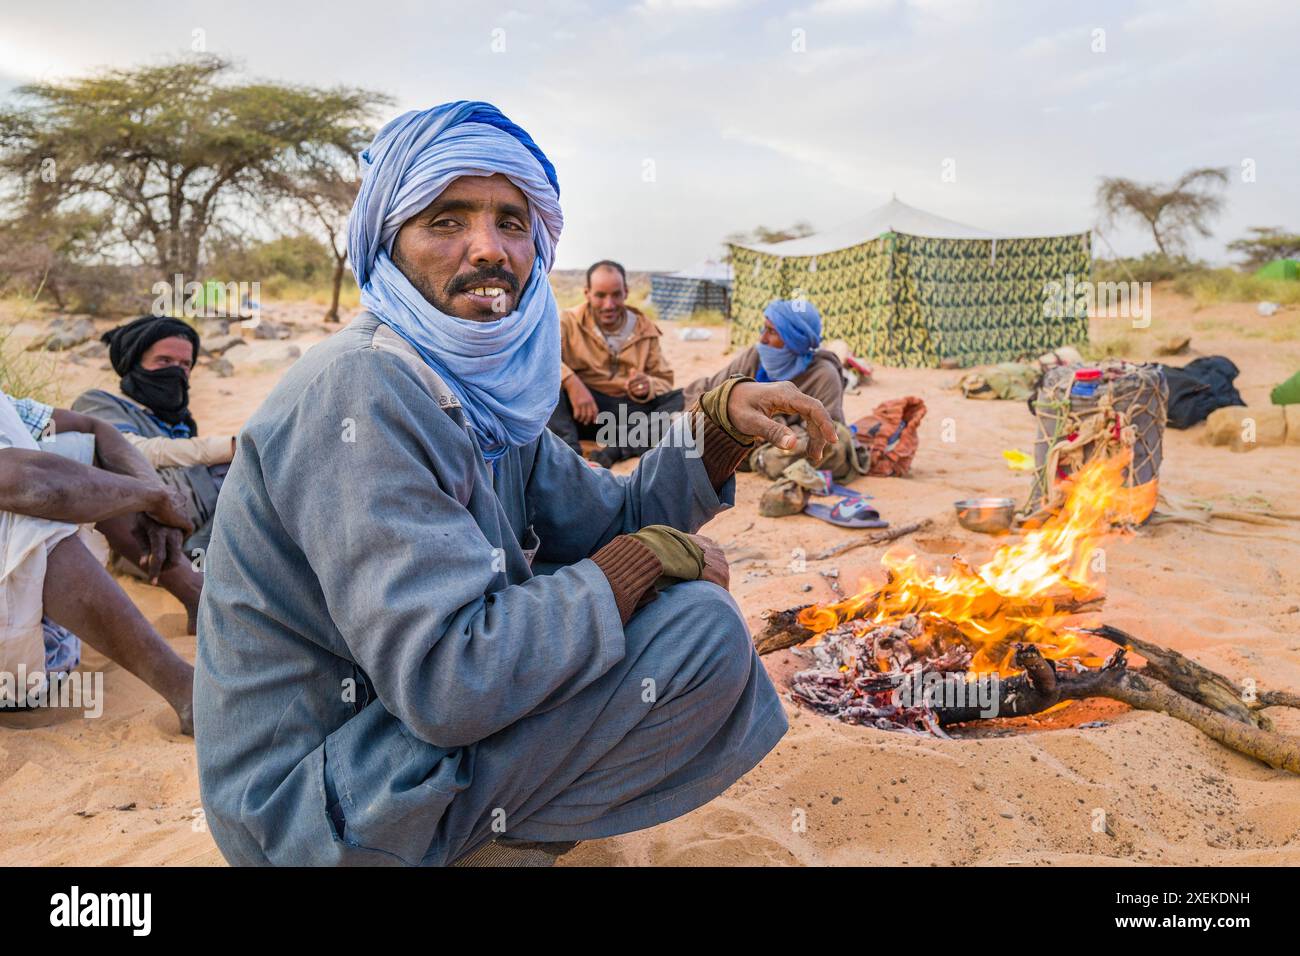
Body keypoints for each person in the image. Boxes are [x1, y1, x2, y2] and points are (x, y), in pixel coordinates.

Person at [193, 100, 836, 867]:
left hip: (380, 751)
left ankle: (487, 840)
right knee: (693, 631)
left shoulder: (489, 396)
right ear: (388, 245)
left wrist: (716, 428)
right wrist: (639, 564)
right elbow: (446, 679)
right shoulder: (363, 389)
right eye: (445, 220)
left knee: (668, 616)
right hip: (302, 809)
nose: (487, 249)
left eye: (510, 222)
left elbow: (614, 516)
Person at [0, 391, 196, 733]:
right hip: (11, 677)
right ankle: (186, 690)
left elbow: (95, 429)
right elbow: (18, 482)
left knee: (78, 456)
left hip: (42, 657)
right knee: (34, 504)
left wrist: (151, 493)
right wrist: (154, 497)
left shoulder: (8, 408)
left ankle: (195, 593)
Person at [73, 315, 233, 630]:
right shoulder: (97, 404)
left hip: (192, 518)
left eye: (185, 364)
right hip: (143, 534)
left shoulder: (180, 420)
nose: (177, 371)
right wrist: (227, 446)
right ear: (134, 362)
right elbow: (132, 451)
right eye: (163, 361)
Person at [548, 260, 683, 467]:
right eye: (600, 295)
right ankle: (571, 459)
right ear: (587, 293)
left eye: (616, 295)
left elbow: (665, 380)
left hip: (626, 418)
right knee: (546, 387)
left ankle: (613, 451)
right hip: (582, 414)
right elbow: (543, 357)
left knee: (682, 402)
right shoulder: (567, 322)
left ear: (626, 292)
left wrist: (648, 385)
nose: (609, 305)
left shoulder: (645, 329)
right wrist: (571, 381)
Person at [685, 299, 845, 425]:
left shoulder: (823, 376)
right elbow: (711, 389)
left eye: (772, 332)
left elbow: (828, 433)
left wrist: (770, 425)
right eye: (764, 329)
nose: (763, 339)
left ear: (795, 341)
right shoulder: (756, 356)